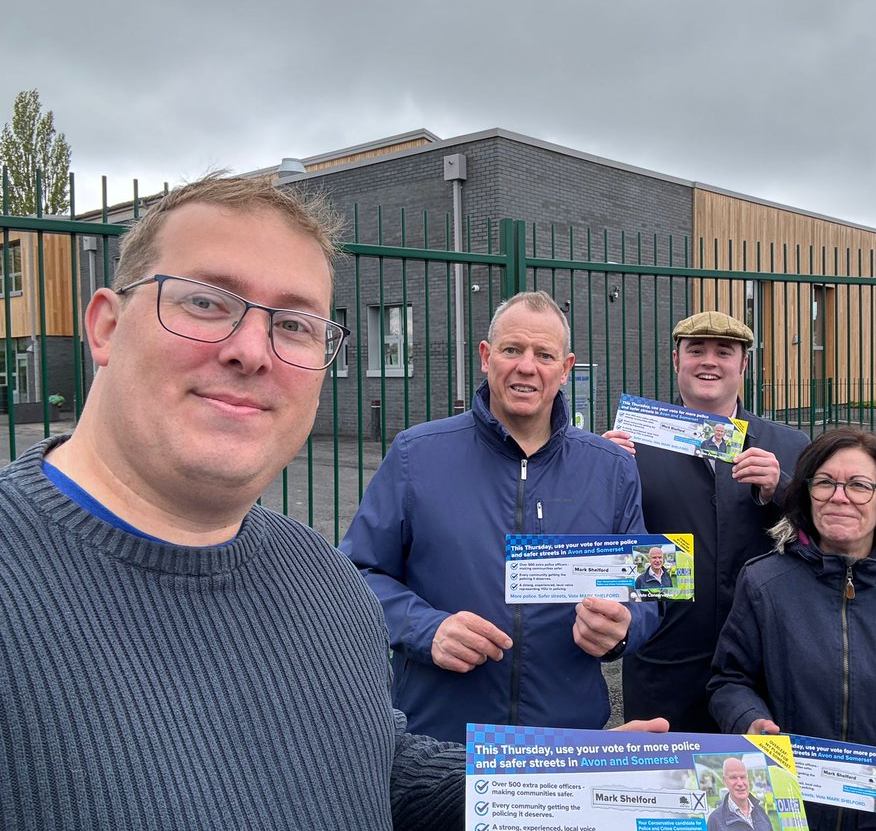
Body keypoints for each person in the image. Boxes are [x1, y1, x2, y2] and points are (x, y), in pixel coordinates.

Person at [0, 175, 467, 830]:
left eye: (296, 325)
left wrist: (583, 782)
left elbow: (363, 768)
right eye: (205, 302)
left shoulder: (324, 577)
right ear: (105, 327)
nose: (252, 351)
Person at [341, 290, 661, 743]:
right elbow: (354, 573)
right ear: (487, 357)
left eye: (544, 354)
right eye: (512, 350)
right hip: (440, 738)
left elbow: (649, 588)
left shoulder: (611, 468)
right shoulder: (416, 455)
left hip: (565, 739)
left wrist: (626, 628)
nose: (526, 366)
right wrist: (425, 628)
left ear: (565, 369)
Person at [708, 428, 876, 831]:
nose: (839, 496)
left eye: (860, 486)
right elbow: (729, 680)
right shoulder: (764, 583)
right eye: (825, 482)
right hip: (789, 812)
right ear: (807, 496)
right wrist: (749, 720)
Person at [605, 311, 810, 732]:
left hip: (761, 669)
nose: (709, 362)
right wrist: (596, 470)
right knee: (665, 790)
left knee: (750, 791)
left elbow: (823, 540)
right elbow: (601, 539)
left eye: (724, 352)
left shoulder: (789, 445)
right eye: (695, 351)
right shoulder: (632, 445)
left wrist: (782, 489)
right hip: (664, 664)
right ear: (677, 361)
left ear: (744, 365)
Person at [706, 757, 772, 831]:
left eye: (743, 777)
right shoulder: (715, 820)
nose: (740, 783)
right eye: (733, 778)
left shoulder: (760, 811)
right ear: (725, 781)